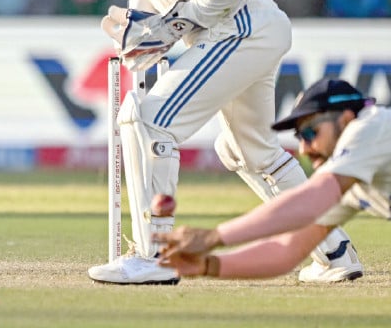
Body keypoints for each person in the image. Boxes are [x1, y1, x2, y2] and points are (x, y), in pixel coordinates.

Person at [80, 0, 361, 285]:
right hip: (234, 34)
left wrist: (175, 25)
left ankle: (154, 255)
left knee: (145, 118)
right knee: (247, 152)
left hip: (242, 28)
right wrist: (142, 33)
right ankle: (335, 252)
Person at [154, 78, 383, 281]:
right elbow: (287, 251)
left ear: (345, 120)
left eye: (310, 133)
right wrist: (208, 265)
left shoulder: (370, 127)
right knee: (229, 147)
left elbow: (308, 200)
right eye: (299, 137)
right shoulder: (352, 183)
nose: (303, 149)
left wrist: (214, 236)